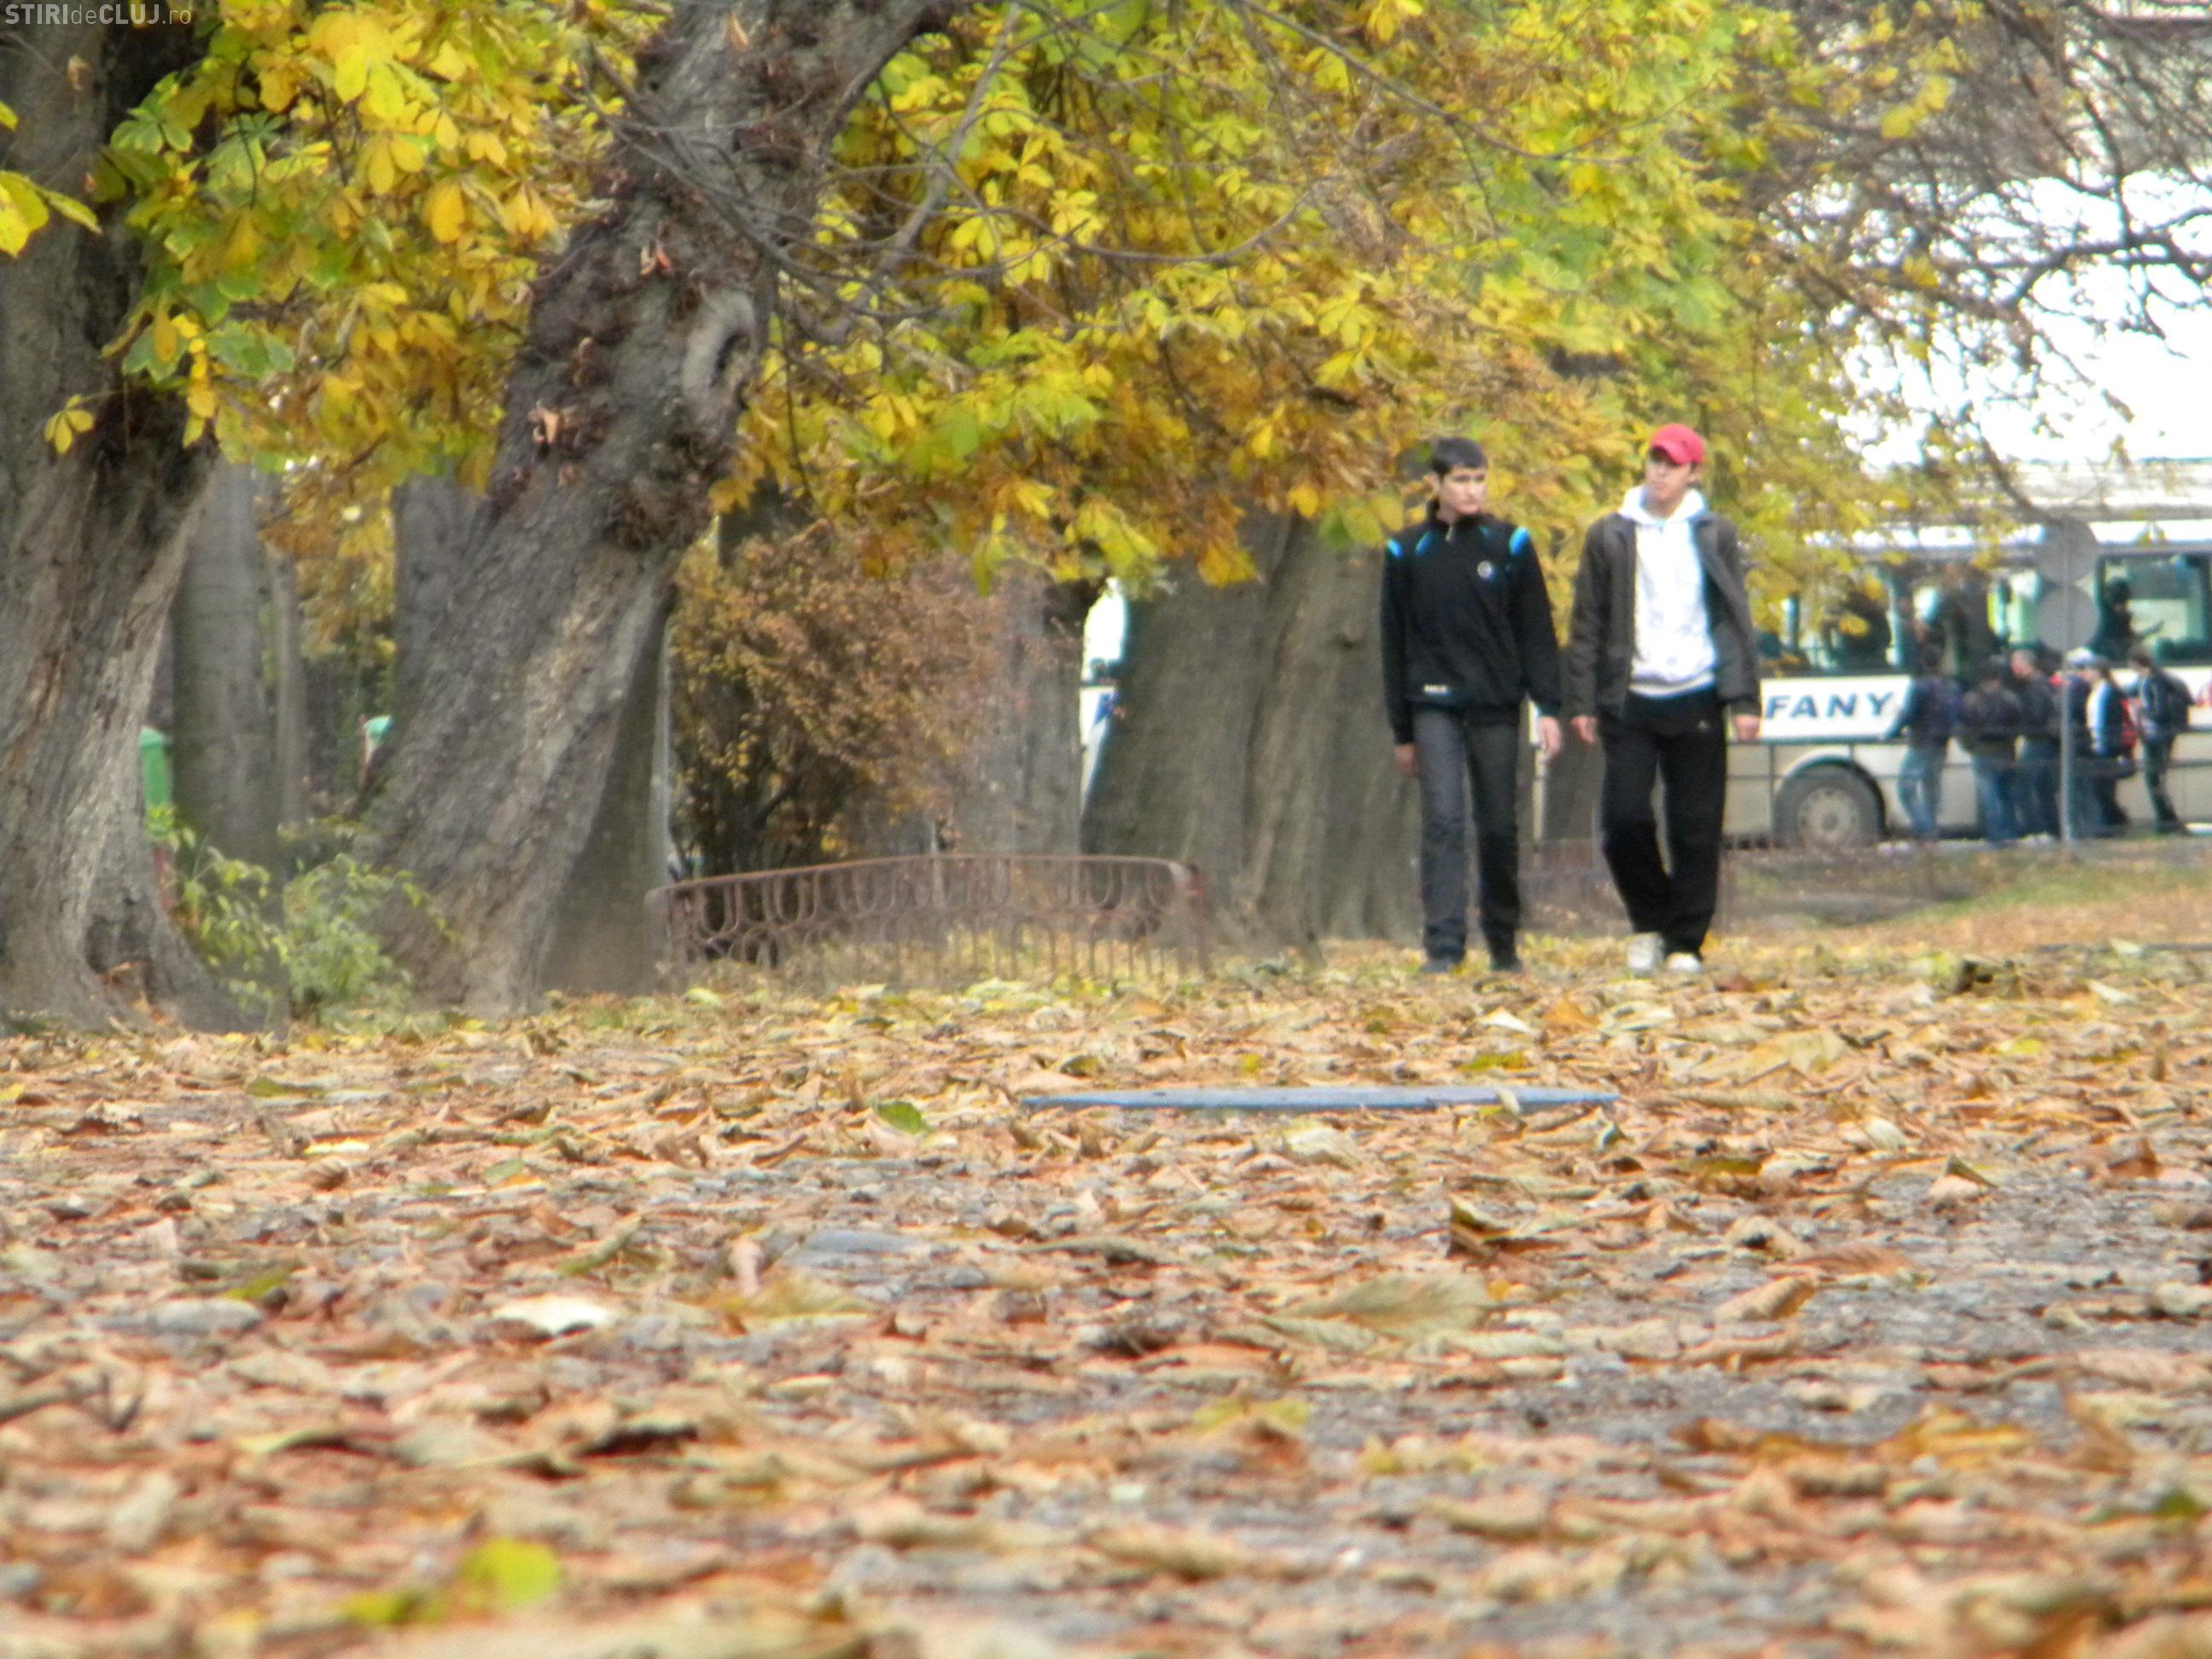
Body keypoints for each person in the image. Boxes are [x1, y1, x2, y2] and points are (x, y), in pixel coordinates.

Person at [1564, 423, 1761, 975]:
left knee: (1696, 826)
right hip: (1632, 698)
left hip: (1697, 694)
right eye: (1655, 461)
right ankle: (1650, 922)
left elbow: (1734, 618)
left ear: (1693, 473)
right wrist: (1582, 701)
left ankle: (1684, 943)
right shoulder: (1610, 534)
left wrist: (1745, 699)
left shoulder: (1716, 534)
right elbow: (1588, 622)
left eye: (1672, 464)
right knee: (1623, 819)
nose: (1660, 472)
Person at [1381, 436, 1563, 975]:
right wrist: (1402, 732)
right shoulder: (1406, 550)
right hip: (1432, 703)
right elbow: (1393, 642)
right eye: (1461, 480)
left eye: (1479, 479)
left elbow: (1536, 630)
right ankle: (1443, 946)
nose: (1472, 490)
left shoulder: (1510, 544)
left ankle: (1503, 943)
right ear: (1436, 485)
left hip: (1496, 702)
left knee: (1499, 823)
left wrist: (1548, 707)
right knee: (1443, 820)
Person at [1883, 648, 1959, 841]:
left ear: (1923, 664)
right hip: (1942, 743)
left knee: (1905, 788)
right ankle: (1931, 829)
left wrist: (1890, 734)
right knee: (1931, 787)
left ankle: (1925, 829)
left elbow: (1908, 715)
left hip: (1921, 742)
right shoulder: (1951, 687)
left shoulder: (1919, 687)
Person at [1958, 657, 2021, 846]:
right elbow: (2018, 724)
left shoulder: (1971, 699)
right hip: (2005, 752)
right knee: (2006, 796)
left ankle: (1995, 837)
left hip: (1982, 752)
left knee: (1989, 797)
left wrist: (1970, 746)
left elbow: (1962, 727)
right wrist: (2010, 742)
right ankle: (2011, 835)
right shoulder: (2010, 698)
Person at [2129, 643, 2189, 834]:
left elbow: (2160, 713)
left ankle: (2166, 820)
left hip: (2158, 736)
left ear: (2135, 663)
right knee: (2155, 778)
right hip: (2157, 735)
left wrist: (2141, 709)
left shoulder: (2154, 682)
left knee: (2153, 778)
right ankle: (2166, 819)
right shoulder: (2148, 680)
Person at [2009, 646, 2060, 841]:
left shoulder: (2035, 687)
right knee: (2043, 787)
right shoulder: (2044, 683)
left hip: (2037, 740)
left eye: (2015, 662)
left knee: (2027, 786)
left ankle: (2037, 831)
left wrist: (2020, 723)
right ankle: (2050, 830)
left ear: (2024, 664)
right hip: (2045, 741)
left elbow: (2036, 716)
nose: (2013, 667)